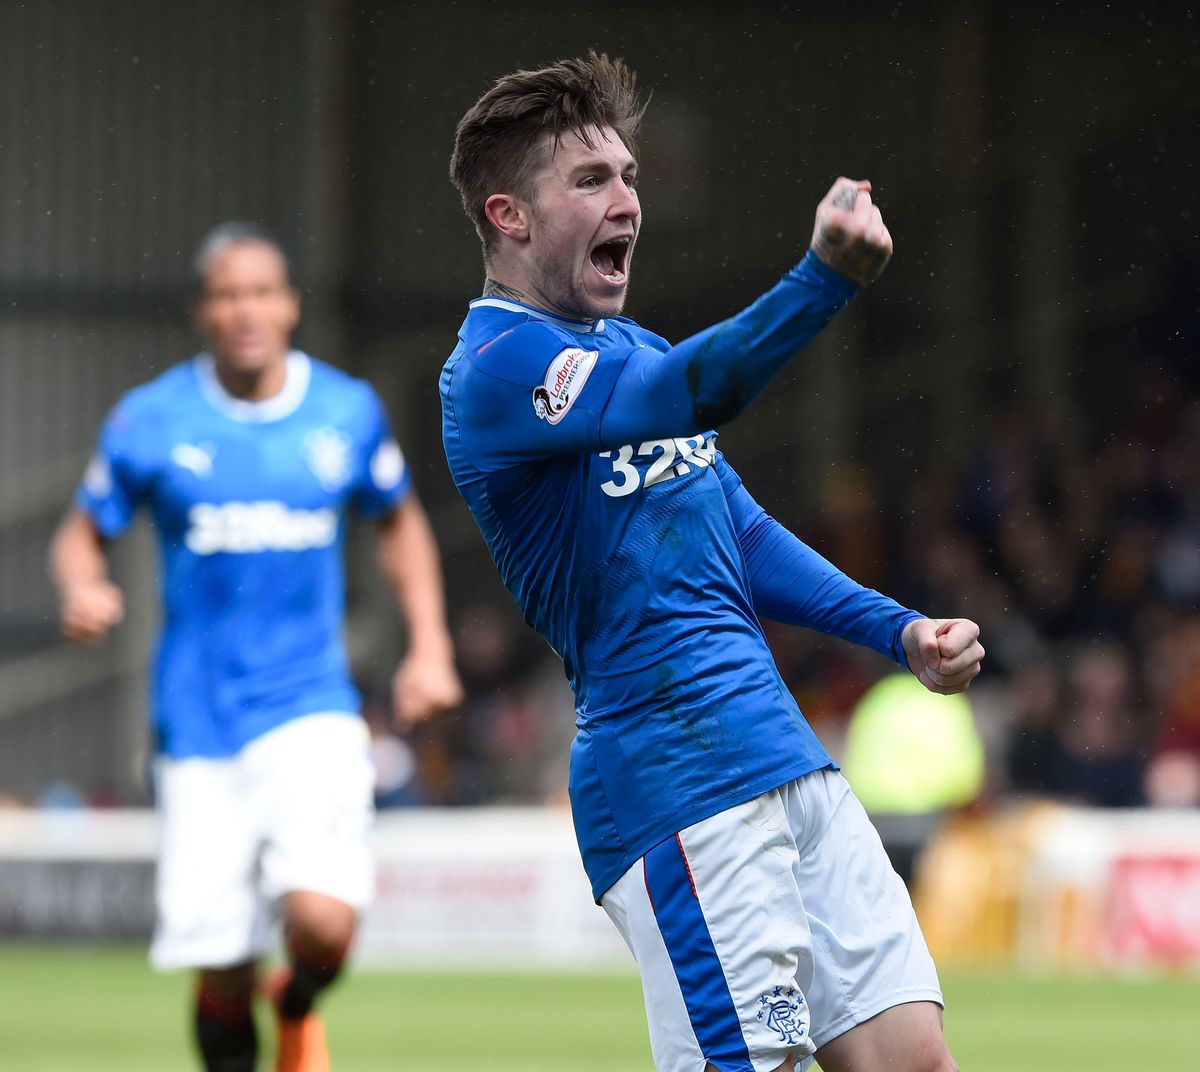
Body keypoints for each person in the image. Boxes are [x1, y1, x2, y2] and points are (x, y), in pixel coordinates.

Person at [441, 53, 984, 1072]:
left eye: (629, 175)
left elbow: (740, 535)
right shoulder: (497, 370)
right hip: (677, 783)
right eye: (590, 181)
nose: (626, 201)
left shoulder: (631, 345)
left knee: (916, 1061)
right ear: (509, 216)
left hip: (785, 758)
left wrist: (899, 630)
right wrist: (822, 280)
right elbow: (698, 392)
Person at [50, 222, 463, 1072]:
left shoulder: (345, 412)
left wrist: (429, 646)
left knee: (324, 923)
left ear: (290, 306)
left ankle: (299, 1001)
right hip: (196, 724)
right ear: (202, 311)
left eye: (263, 293)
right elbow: (81, 532)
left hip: (311, 706)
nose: (247, 311)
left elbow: (399, 522)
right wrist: (81, 587)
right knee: (224, 969)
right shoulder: (151, 420)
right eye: (228, 295)